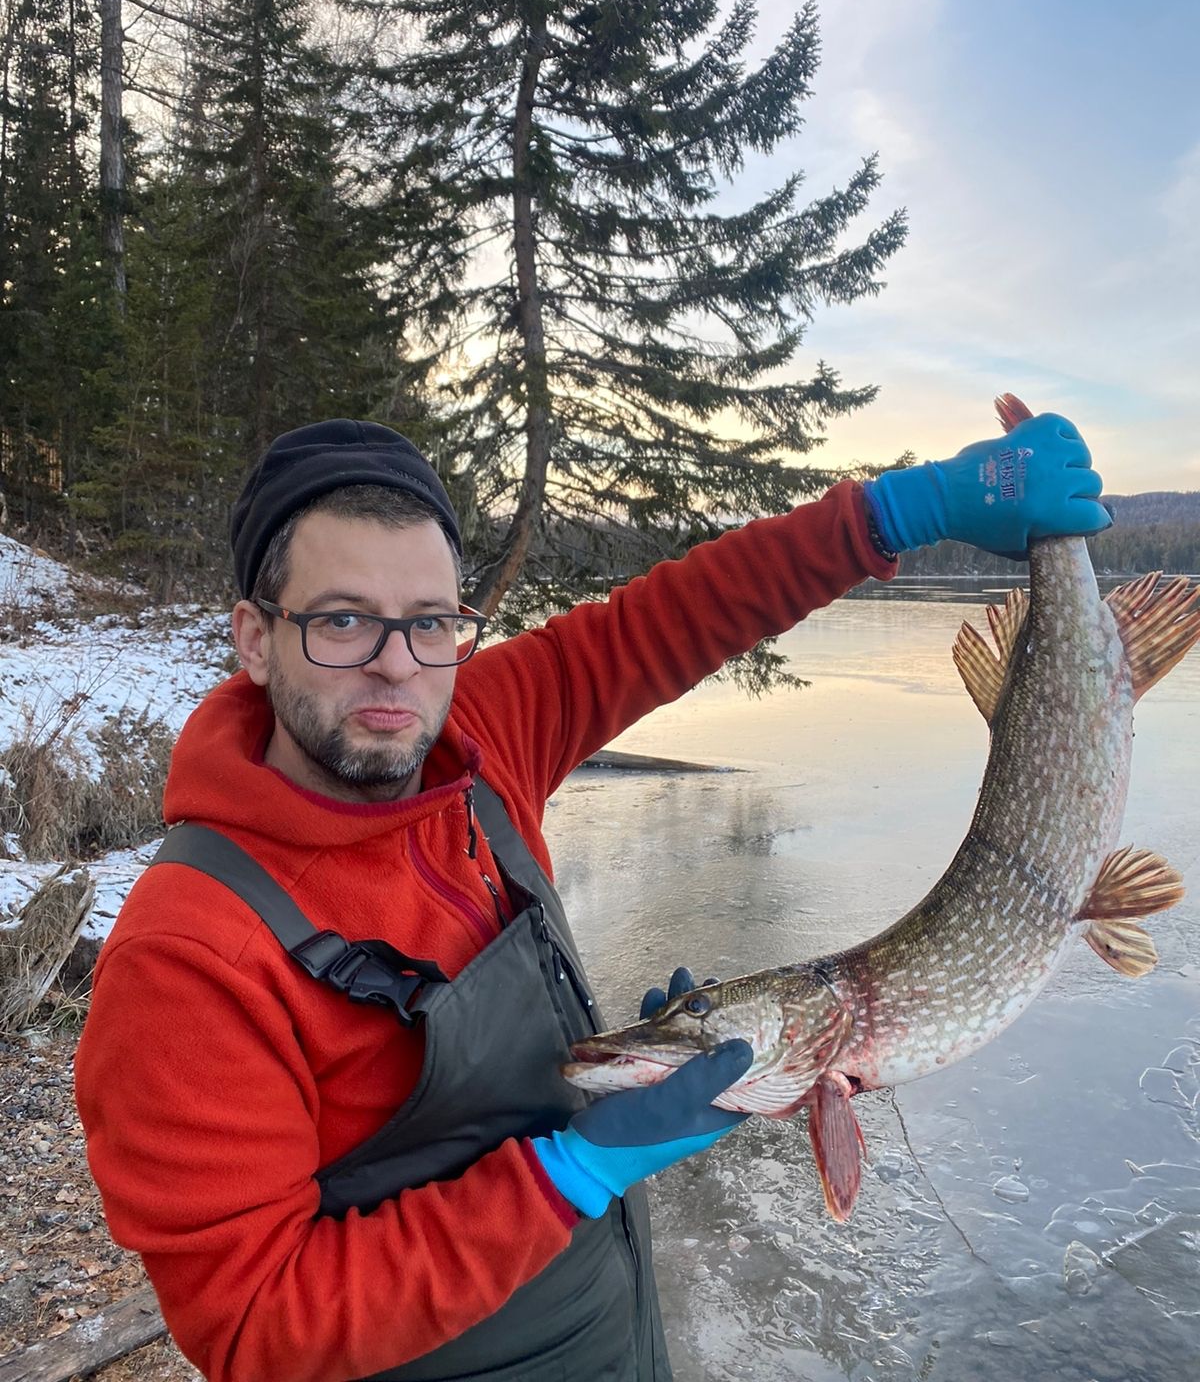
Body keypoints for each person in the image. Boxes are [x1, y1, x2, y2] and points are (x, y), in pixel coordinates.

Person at [74, 409, 1110, 1382]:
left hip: (610, 1333)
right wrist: (564, 1175)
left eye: (432, 620)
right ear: (254, 637)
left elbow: (666, 621)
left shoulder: (475, 733)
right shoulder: (186, 958)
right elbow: (254, 1325)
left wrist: (895, 513)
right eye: (343, 621)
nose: (396, 669)